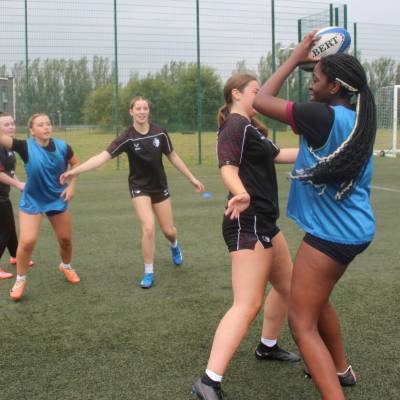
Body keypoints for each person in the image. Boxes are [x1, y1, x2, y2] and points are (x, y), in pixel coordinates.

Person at [253, 31, 377, 400]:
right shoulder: (353, 115)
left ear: (335, 86)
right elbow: (312, 99)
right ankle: (342, 371)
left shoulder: (318, 116)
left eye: (316, 79)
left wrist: (293, 59)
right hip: (353, 228)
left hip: (331, 236)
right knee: (317, 301)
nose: (310, 84)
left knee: (301, 323)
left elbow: (261, 100)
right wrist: (316, 61)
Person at [192, 74, 300, 400]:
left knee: (288, 288)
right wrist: (239, 192)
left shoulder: (252, 128)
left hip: (266, 223)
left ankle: (267, 346)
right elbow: (227, 167)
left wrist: (323, 146)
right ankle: (208, 382)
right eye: (257, 91)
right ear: (237, 94)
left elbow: (279, 154)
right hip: (247, 223)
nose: (262, 96)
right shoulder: (234, 126)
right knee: (247, 303)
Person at [60, 96, 204, 289]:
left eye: (145, 108)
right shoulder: (127, 137)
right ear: (131, 112)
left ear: (148, 112)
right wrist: (74, 170)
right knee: (148, 228)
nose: (142, 112)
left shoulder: (160, 133)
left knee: (168, 230)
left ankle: (174, 245)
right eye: (138, 108)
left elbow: (173, 156)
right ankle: (149, 272)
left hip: (159, 186)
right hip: (139, 187)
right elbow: (101, 158)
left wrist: (191, 177)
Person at [0, 113, 81, 301]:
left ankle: (66, 266)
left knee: (66, 240)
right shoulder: (24, 146)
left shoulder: (63, 147)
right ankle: (20, 279)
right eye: (41, 124)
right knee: (27, 242)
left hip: (56, 198)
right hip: (33, 199)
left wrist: (71, 185)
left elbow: (76, 164)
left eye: (48, 123)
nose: (46, 127)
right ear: (32, 130)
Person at [0, 112, 33, 280]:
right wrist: (19, 185)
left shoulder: (9, 147)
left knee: (10, 227)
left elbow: (9, 172)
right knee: (4, 230)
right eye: (6, 124)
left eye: (12, 123)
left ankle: (15, 255)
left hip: (3, 196)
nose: (11, 126)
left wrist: (20, 184)